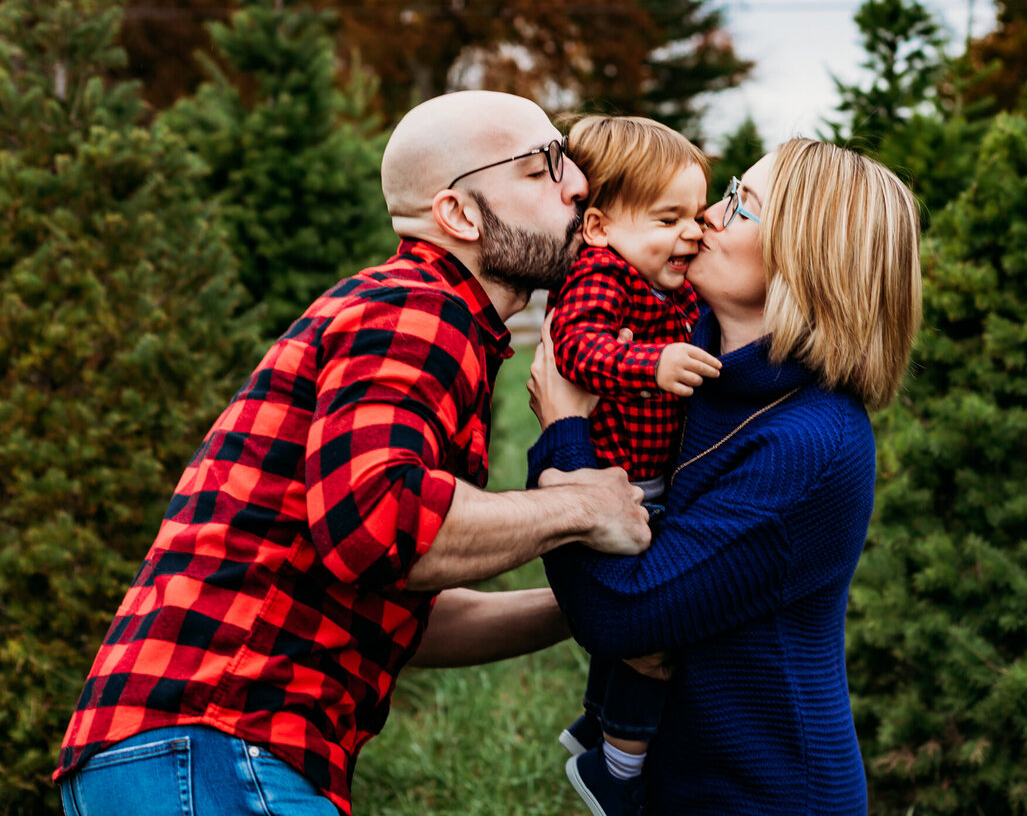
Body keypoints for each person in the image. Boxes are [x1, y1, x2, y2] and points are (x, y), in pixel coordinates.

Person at [53, 91, 652, 816]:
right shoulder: (419, 308)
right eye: (541, 168)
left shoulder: (418, 317)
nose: (579, 183)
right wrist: (584, 506)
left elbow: (399, 601)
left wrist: (590, 607)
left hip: (171, 754)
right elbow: (381, 524)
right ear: (458, 215)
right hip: (217, 741)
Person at [527, 138, 923, 816]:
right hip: (682, 782)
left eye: (742, 205)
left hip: (764, 793)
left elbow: (623, 610)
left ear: (806, 256)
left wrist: (564, 434)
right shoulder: (688, 372)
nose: (708, 213)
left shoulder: (810, 445)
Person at [545, 115, 721, 808]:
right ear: (597, 227)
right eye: (668, 217)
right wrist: (656, 361)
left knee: (635, 629)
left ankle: (599, 723)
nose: (691, 232)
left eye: (697, 216)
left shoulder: (660, 281)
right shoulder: (601, 273)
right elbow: (576, 349)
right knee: (652, 632)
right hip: (617, 482)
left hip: (640, 478)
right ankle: (615, 773)